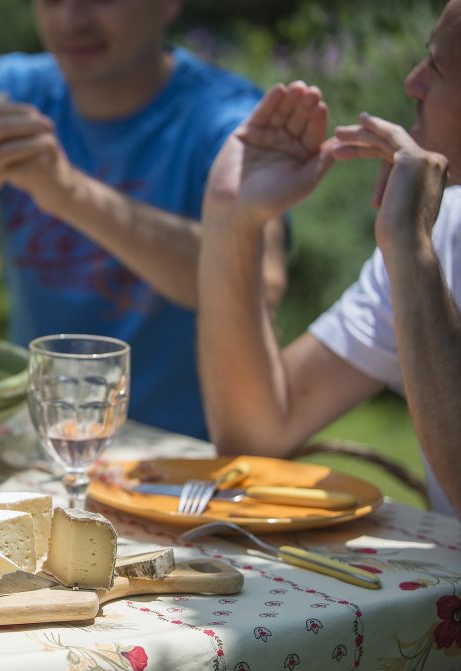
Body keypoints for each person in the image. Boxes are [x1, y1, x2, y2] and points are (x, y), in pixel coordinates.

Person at [0, 0, 288, 440]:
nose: (71, 19)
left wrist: (68, 193)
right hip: (43, 439)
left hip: (188, 457)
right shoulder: (15, 90)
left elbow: (263, 282)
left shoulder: (223, 115)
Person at [196, 0, 461, 517]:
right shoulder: (445, 224)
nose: (413, 82)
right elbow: (260, 428)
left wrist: (410, 250)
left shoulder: (424, 238)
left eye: (440, 67)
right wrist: (233, 219)